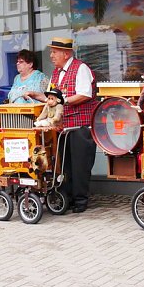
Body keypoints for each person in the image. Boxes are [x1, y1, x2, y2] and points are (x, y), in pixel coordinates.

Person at [47, 37, 98, 214]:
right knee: (64, 165)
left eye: (54, 52)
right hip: (63, 127)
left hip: (80, 126)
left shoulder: (80, 68)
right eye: (51, 51)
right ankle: (66, 198)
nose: (51, 55)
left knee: (80, 165)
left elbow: (85, 94)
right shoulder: (55, 72)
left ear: (66, 53)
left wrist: (63, 100)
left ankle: (81, 201)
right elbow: (52, 97)